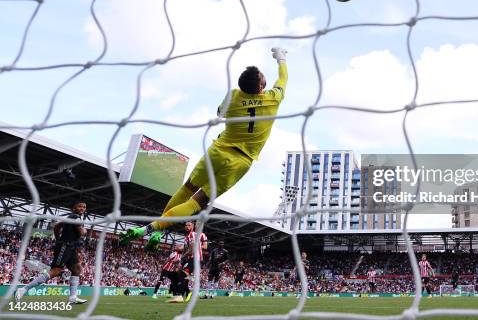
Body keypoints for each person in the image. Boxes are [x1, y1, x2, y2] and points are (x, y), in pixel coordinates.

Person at [121, 48, 288, 249]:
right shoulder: (273, 98)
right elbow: (283, 78)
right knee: (196, 202)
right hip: (240, 162)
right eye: (262, 78)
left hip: (218, 151)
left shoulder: (234, 96)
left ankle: (156, 230)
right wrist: (281, 58)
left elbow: (219, 114)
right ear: (261, 86)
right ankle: (152, 229)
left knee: (186, 189)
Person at [15, 201, 88, 305]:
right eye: (80, 206)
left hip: (70, 248)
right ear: (74, 208)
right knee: (56, 271)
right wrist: (85, 230)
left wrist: (58, 240)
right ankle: (23, 289)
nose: (82, 208)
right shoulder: (75, 217)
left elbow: (57, 226)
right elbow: (81, 232)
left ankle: (73, 297)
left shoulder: (69, 217)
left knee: (77, 269)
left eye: (84, 207)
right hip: (65, 247)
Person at [169, 221, 207, 303]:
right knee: (183, 276)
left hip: (194, 259)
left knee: (182, 275)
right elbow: (187, 249)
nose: (187, 226)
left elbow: (191, 250)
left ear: (193, 227)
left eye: (189, 225)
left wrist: (181, 257)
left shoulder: (193, 234)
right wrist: (180, 249)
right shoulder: (187, 236)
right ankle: (186, 293)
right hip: (190, 259)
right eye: (186, 225)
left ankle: (180, 295)